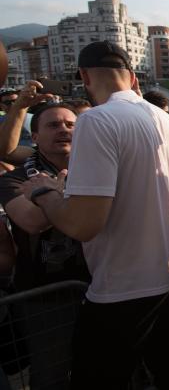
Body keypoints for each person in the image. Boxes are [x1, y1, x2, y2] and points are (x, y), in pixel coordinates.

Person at [20, 41, 169, 389]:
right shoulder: (165, 119)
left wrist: (45, 194)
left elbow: (84, 224)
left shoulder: (96, 121)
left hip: (121, 288)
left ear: (85, 76)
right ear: (132, 77)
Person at [0, 103, 89, 389]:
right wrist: (58, 192)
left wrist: (52, 195)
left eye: (70, 124)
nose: (64, 129)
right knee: (52, 373)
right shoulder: (14, 179)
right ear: (34, 137)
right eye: (53, 125)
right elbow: (31, 221)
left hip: (98, 288)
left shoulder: (97, 171)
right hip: (45, 297)